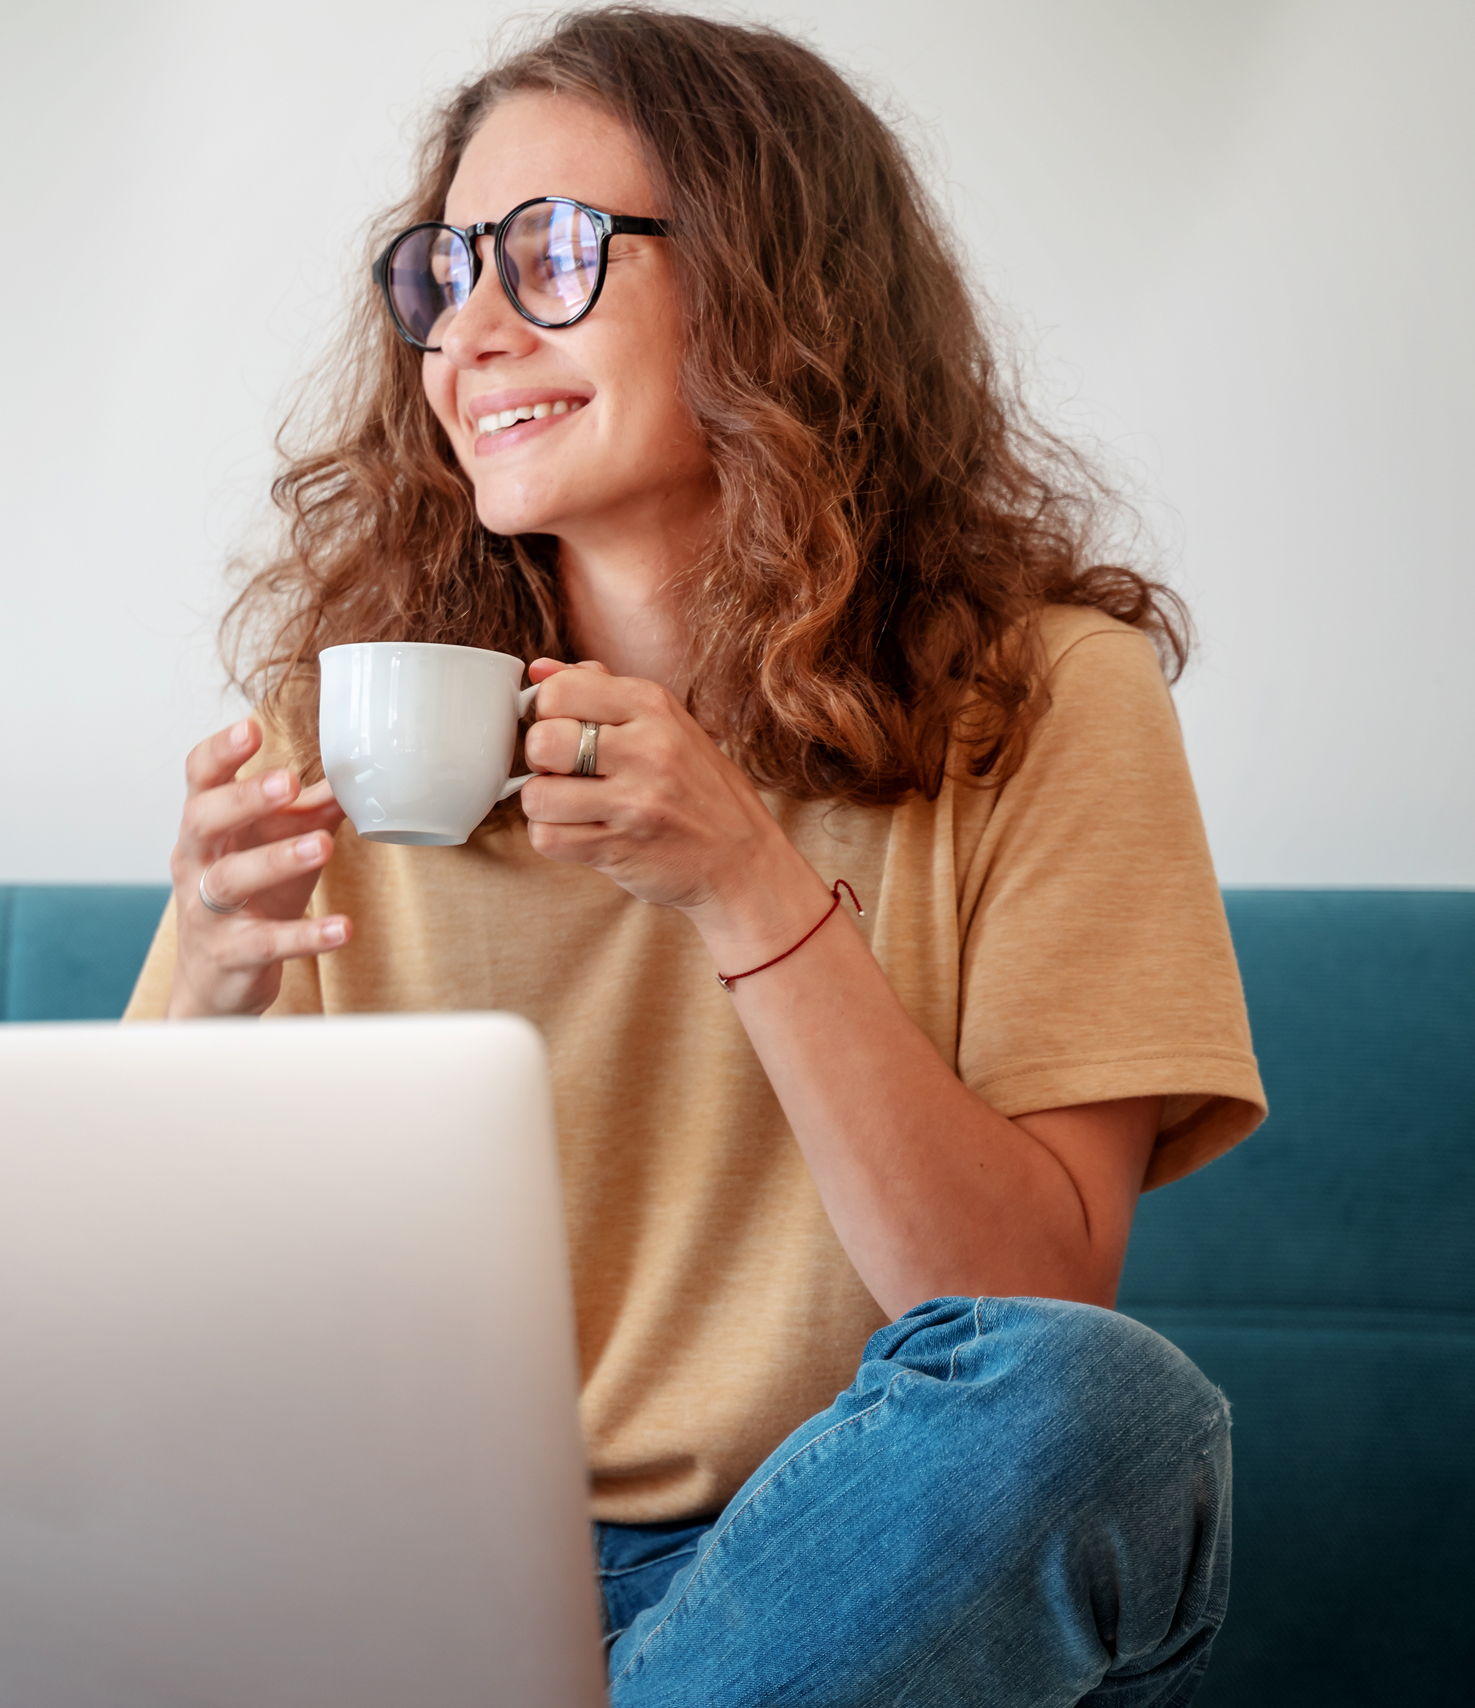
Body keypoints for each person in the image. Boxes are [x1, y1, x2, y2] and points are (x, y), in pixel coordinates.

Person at [124, 11, 1264, 1704]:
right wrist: (211, 975)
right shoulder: (353, 721)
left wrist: (745, 883)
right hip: (415, 1565)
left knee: (1113, 1414)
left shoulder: (1040, 694)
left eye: (556, 255)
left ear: (775, 288)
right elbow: (111, 1306)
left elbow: (1027, 1311)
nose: (473, 333)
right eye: (443, 273)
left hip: (848, 1571)